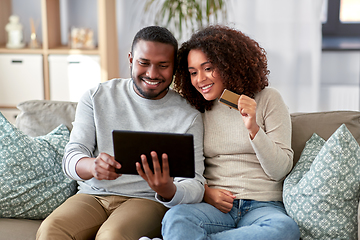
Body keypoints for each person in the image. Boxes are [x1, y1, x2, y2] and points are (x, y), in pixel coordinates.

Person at [36, 26, 205, 240]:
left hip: (147, 201)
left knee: (111, 235)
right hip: (93, 196)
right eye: (144, 63)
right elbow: (72, 155)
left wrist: (167, 189)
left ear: (174, 68)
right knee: (51, 229)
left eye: (163, 66)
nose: (152, 74)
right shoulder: (96, 97)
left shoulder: (187, 116)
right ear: (131, 60)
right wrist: (92, 166)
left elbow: (196, 184)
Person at [161, 25, 300, 240]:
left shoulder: (268, 99)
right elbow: (187, 168)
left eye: (208, 68)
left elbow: (280, 170)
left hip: (263, 207)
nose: (200, 79)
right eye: (193, 72)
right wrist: (206, 193)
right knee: (175, 219)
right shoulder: (197, 109)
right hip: (215, 207)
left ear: (229, 65)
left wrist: (253, 128)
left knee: (285, 229)